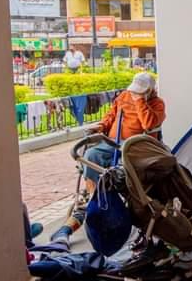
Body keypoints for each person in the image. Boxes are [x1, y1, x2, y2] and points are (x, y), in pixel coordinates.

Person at [51, 72, 165, 243]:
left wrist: (140, 101)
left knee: (120, 171)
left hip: (136, 146)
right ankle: (93, 196)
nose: (135, 93)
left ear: (150, 90)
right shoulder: (123, 97)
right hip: (112, 141)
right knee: (90, 155)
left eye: (141, 91)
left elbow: (148, 123)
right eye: (135, 91)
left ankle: (119, 202)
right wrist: (101, 126)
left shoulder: (157, 104)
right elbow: (111, 116)